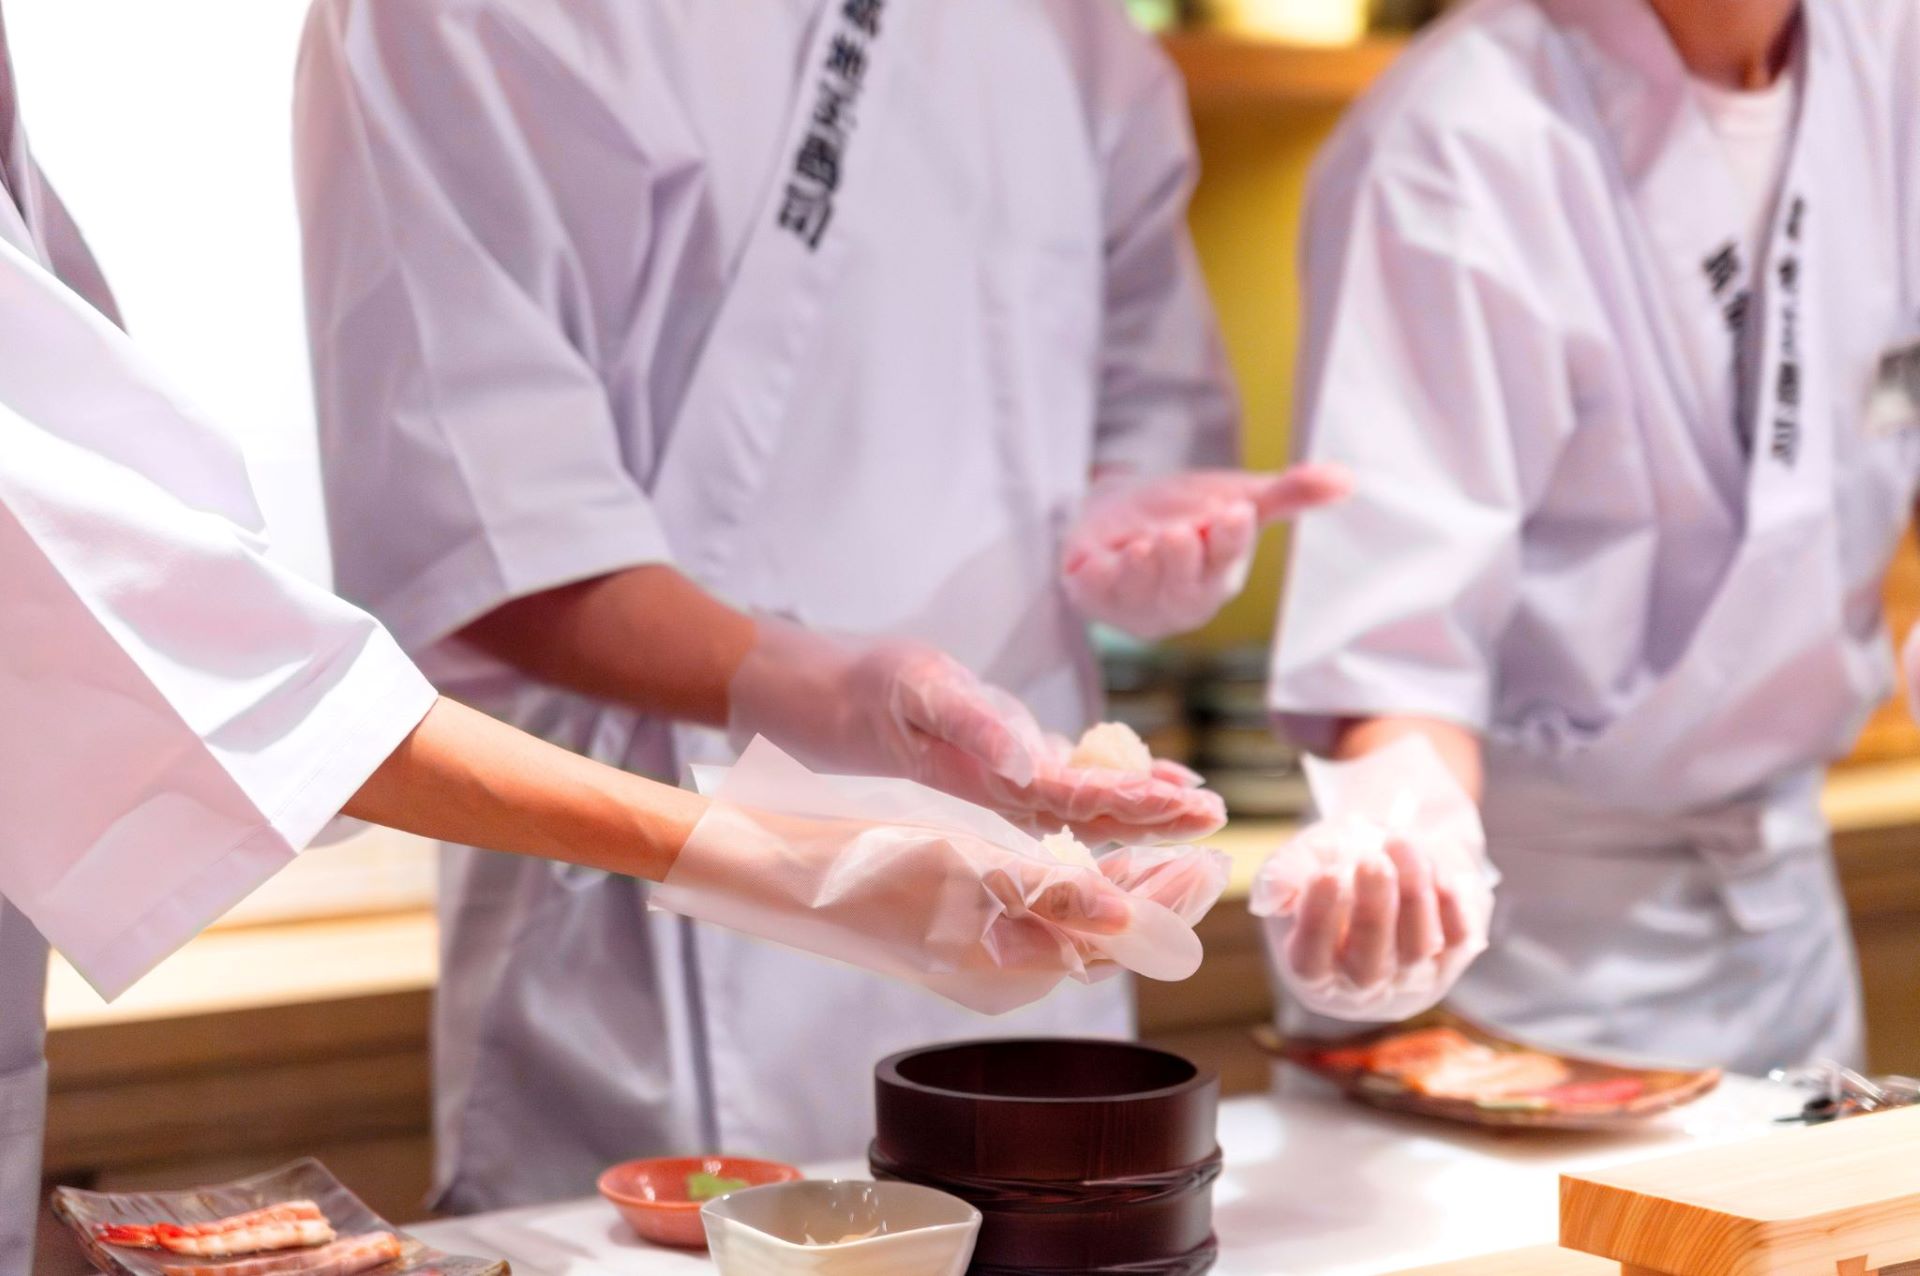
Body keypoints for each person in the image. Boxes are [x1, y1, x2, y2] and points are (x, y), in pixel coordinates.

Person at [0, 9, 1195, 1272]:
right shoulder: (447, 24)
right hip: (642, 942)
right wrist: (802, 851)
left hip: (1001, 852)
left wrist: (1151, 534)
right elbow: (173, 624)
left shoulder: (1067, 31)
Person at [294, 0, 1343, 1210]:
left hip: (1037, 857)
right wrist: (827, 691)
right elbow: (481, 535)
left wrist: (1148, 522)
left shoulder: (1071, 28)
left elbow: (1142, 404)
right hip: (650, 905)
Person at [1254, 0, 1920, 1073]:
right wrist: (1401, 842)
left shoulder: (1892, 57)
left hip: (1787, 938)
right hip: (1512, 975)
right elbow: (1399, 662)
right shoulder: (1454, 137)